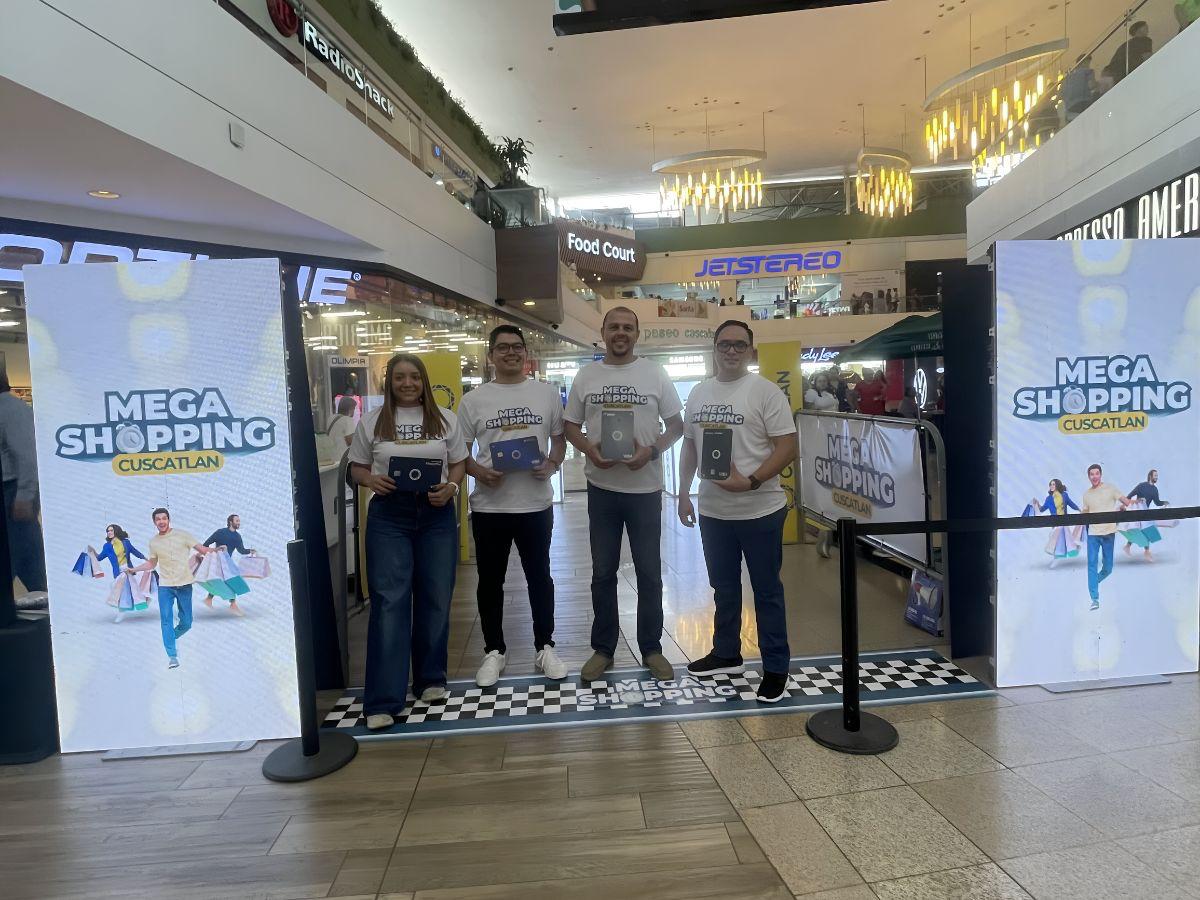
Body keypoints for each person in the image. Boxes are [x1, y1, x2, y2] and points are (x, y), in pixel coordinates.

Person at [677, 321, 798, 702]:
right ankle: (726, 653)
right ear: (714, 348)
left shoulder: (765, 392)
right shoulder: (699, 392)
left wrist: (752, 481)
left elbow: (787, 445)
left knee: (766, 590)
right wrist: (683, 493)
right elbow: (690, 447)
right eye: (725, 344)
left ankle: (776, 667)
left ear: (750, 350)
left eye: (739, 345)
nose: (732, 351)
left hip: (760, 510)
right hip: (714, 512)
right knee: (724, 588)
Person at [564, 306, 684, 682]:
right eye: (614, 326)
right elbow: (570, 426)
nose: (620, 332)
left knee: (649, 572)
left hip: (645, 490)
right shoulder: (587, 375)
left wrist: (652, 451)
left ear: (637, 334)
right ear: (603, 332)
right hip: (602, 490)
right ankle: (603, 649)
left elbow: (676, 425)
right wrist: (589, 449)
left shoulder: (655, 373)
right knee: (603, 572)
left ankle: (652, 648)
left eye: (627, 327)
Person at [349, 353, 467, 731]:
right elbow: (357, 467)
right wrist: (370, 480)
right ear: (390, 382)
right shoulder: (373, 421)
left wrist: (452, 487)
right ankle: (384, 699)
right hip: (390, 515)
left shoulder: (445, 418)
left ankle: (431, 678)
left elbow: (459, 462)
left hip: (436, 513)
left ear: (424, 381)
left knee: (436, 596)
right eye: (399, 377)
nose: (407, 384)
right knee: (389, 602)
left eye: (414, 377)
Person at [459, 325, 568, 686]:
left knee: (540, 577)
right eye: (503, 347)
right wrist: (479, 471)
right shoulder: (474, 400)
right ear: (490, 355)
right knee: (490, 581)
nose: (511, 353)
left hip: (535, 505)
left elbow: (559, 441)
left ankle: (545, 646)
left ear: (525, 352)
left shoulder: (546, 394)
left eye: (517, 347)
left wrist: (552, 464)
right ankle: (494, 651)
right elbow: (460, 453)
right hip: (490, 507)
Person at [128, 509, 214, 669]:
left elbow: (203, 550)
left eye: (164, 518)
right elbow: (152, 563)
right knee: (166, 619)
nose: (161, 521)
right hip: (165, 586)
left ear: (169, 520)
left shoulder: (183, 535)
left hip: (185, 585)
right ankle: (172, 656)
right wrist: (134, 569)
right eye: (158, 519)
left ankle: (169, 639)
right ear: (154, 522)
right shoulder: (154, 542)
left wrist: (217, 551)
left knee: (187, 623)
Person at [0, 373, 47, 594]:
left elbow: (28, 456)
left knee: (25, 560)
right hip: (12, 495)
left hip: (12, 496)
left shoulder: (11, 410)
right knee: (30, 563)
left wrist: (25, 496)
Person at [1079, 463, 1131, 610]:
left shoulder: (1111, 488)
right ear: (1088, 476)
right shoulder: (1086, 494)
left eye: (1097, 473)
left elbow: (1127, 502)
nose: (1094, 476)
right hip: (1093, 534)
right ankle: (1094, 599)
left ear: (1100, 475)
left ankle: (1093, 583)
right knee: (1092, 564)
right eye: (1091, 474)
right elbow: (1085, 512)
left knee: (1108, 568)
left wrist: (1125, 507)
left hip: (1109, 533)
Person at [199, 514, 256, 616]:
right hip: (217, 562)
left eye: (239, 521)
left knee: (225, 581)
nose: (239, 523)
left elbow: (241, 550)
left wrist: (249, 551)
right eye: (237, 521)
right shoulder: (220, 532)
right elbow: (205, 544)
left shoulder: (237, 537)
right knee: (229, 581)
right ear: (230, 522)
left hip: (227, 563)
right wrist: (215, 550)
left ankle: (209, 599)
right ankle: (232, 604)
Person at [96, 523, 147, 622]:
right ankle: (126, 609)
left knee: (126, 592)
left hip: (127, 570)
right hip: (118, 572)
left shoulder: (125, 542)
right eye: (108, 531)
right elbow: (99, 558)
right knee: (117, 589)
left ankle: (122, 613)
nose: (109, 532)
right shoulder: (107, 546)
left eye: (111, 530)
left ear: (116, 531)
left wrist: (145, 558)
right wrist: (92, 551)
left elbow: (135, 551)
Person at [1031, 479, 1082, 565]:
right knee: (1058, 538)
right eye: (1050, 484)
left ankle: (1069, 552)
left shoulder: (1064, 495)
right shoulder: (1049, 498)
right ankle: (1060, 555)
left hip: (1064, 520)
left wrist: (1078, 509)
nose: (1051, 486)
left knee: (1065, 537)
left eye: (1053, 484)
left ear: (1057, 485)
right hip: (1055, 522)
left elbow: (1071, 503)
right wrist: (1037, 503)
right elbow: (1042, 509)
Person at [1123, 468, 1169, 560]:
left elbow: (1157, 502)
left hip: (1145, 512)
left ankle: (1128, 546)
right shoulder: (1141, 486)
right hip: (1137, 511)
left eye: (1157, 476)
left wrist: (1164, 502)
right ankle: (1146, 552)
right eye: (1155, 475)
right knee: (1143, 530)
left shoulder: (1155, 489)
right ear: (1150, 476)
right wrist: (1137, 500)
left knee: (1142, 530)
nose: (1157, 477)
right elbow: (1128, 496)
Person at [1063, 55, 1097, 121]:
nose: (1089, 65)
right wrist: (1098, 84)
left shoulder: (1069, 75)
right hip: (1083, 105)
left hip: (1070, 109)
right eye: (1088, 63)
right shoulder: (1088, 71)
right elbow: (1091, 85)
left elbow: (1062, 94)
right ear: (1084, 62)